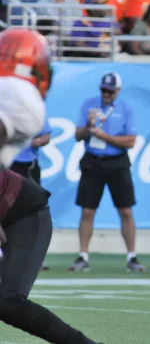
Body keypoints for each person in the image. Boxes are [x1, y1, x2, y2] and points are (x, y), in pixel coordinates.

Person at [0, 28, 101, 344]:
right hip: (11, 203)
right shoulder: (18, 95)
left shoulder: (19, 98)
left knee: (8, 301)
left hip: (22, 212)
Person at [69, 72, 144, 273]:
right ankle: (83, 255)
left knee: (126, 210)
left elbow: (130, 141)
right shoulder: (89, 104)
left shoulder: (125, 108)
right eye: (104, 89)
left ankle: (132, 256)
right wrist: (89, 126)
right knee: (87, 210)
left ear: (118, 91)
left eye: (110, 91)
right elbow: (77, 135)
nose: (106, 94)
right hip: (92, 161)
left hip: (117, 162)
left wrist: (105, 136)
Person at [10, 119, 51, 184]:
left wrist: (40, 141)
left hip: (28, 164)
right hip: (4, 163)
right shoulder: (4, 111)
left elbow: (46, 137)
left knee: (33, 192)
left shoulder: (35, 113)